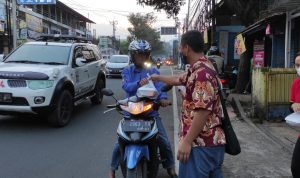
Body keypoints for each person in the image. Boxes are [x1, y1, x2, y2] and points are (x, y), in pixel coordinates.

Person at [151, 30, 226, 178]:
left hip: (201, 144)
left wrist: (186, 141)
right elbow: (179, 79)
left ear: (186, 48)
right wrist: (158, 78)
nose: (180, 51)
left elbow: (203, 112)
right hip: (210, 144)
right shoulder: (201, 67)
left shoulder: (202, 74)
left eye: (180, 47)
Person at [108, 40, 177, 178]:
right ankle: (111, 169)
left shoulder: (152, 71)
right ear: (133, 56)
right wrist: (139, 83)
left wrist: (163, 98)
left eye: (144, 55)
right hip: (131, 114)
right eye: (138, 55)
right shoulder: (127, 70)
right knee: (119, 142)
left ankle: (170, 166)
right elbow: (127, 87)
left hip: (150, 113)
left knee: (163, 141)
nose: (142, 57)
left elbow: (160, 87)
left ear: (148, 55)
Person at [290, 52, 300, 178]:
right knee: (296, 168)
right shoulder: (296, 83)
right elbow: (291, 103)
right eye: (297, 65)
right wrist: (294, 106)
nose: (298, 68)